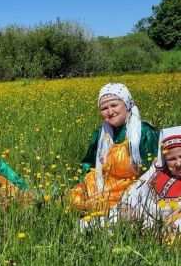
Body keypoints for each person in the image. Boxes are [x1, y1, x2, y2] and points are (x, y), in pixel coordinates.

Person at [67, 82, 159, 213]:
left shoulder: (144, 132)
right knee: (72, 199)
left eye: (114, 105)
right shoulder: (101, 133)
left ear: (126, 105)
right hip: (101, 184)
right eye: (104, 108)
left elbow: (155, 168)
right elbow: (89, 163)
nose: (110, 112)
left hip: (130, 188)